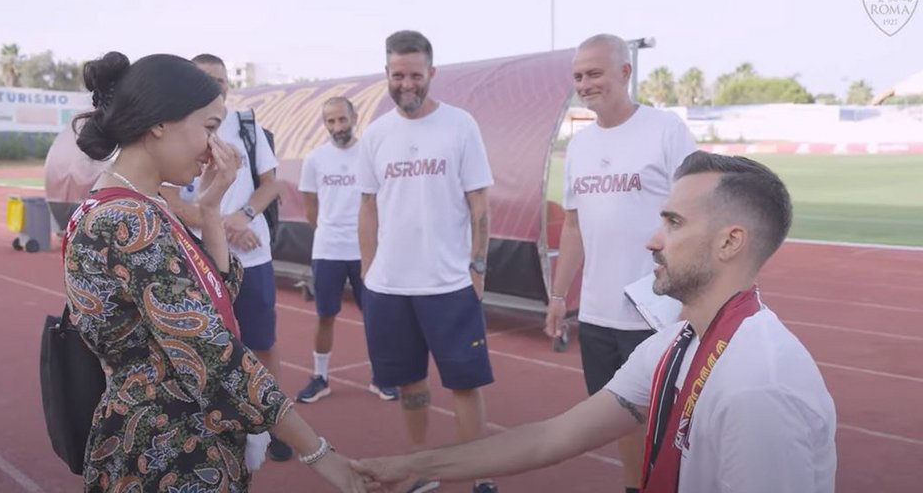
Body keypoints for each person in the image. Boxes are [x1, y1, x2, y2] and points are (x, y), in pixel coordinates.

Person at [352, 151, 837, 493]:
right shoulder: (677, 343)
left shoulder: (758, 387)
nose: (652, 240)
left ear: (730, 242)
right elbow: (551, 437)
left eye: (673, 223)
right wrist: (413, 466)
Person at [65, 51, 365, 493]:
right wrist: (319, 453)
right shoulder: (129, 221)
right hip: (167, 453)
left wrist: (209, 209)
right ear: (160, 123)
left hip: (179, 436)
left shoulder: (139, 204)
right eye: (208, 128)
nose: (213, 148)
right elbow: (212, 356)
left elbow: (215, 297)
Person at [543, 34, 698, 493]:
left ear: (625, 72)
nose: (584, 84)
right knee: (619, 418)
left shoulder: (665, 129)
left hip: (656, 310)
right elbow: (573, 228)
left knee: (667, 419)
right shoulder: (579, 147)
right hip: (597, 314)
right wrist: (558, 296)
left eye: (594, 73)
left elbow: (697, 212)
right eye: (577, 76)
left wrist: (687, 294)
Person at [356, 30, 497, 493]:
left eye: (415, 75)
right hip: (390, 288)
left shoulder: (460, 125)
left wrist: (478, 267)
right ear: (387, 73)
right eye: (398, 75)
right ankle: (418, 468)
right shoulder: (375, 133)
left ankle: (477, 474)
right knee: (410, 386)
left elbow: (479, 204)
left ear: (431, 73)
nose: (407, 84)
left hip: (448, 284)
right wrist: (368, 270)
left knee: (465, 384)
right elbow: (368, 206)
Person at [160, 53, 293, 461]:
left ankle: (273, 423)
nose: (214, 85)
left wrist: (242, 217)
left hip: (252, 256)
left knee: (262, 343)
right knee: (206, 347)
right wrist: (217, 221)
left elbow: (271, 184)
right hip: (196, 259)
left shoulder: (246, 125)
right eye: (204, 78)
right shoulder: (173, 128)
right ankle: (218, 425)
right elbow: (166, 196)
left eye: (220, 79)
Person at [296, 96, 399, 403]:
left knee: (375, 316)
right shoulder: (314, 159)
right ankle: (320, 377)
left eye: (342, 119)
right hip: (328, 250)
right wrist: (332, 230)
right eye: (331, 121)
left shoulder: (371, 154)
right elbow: (311, 209)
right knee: (325, 314)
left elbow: (382, 200)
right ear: (324, 124)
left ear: (354, 118)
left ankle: (381, 377)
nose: (337, 126)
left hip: (365, 251)